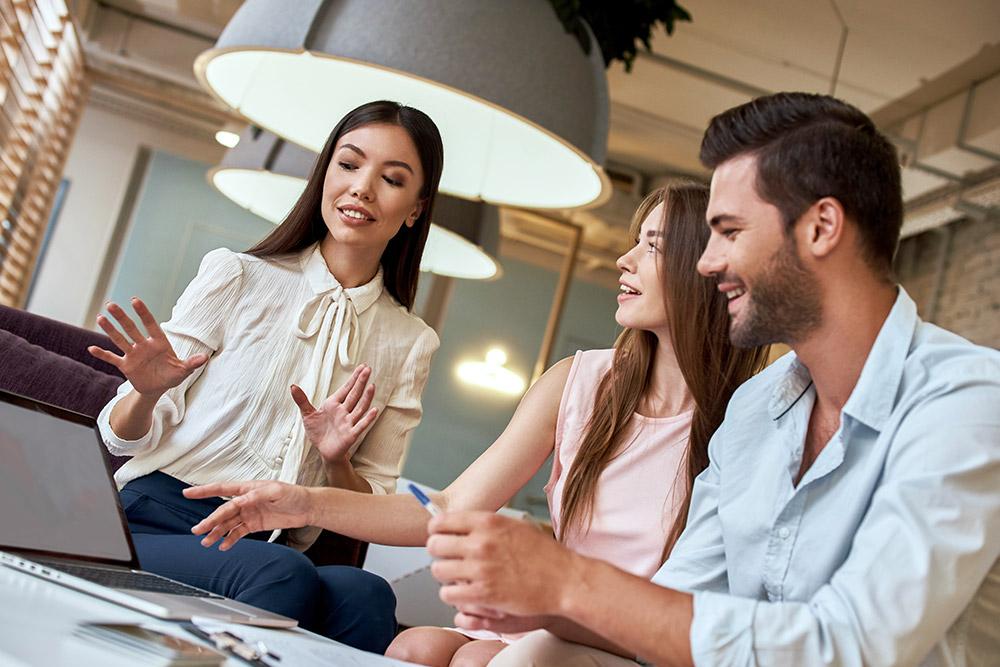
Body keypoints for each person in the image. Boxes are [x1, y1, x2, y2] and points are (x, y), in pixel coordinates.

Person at [406, 92, 1000, 667]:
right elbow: (675, 611)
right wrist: (537, 600)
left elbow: (851, 648)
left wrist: (570, 583)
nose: (709, 262)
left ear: (821, 228)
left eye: (731, 232)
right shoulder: (755, 409)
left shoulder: (964, 403)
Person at [181, 182, 769, 666]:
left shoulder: (748, 425)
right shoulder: (579, 382)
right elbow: (449, 507)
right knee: (414, 649)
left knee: (509, 660)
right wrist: (304, 503)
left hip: (638, 638)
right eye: (634, 241)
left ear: (707, 269)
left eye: (653, 246)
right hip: (547, 623)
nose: (624, 259)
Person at [87, 100, 444, 653]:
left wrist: (335, 460)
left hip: (267, 541)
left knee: (366, 594)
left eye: (391, 179)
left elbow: (373, 505)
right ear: (325, 173)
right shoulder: (237, 275)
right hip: (154, 518)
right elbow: (118, 436)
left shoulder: (410, 342)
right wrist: (147, 393)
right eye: (349, 165)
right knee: (282, 574)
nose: (362, 188)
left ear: (416, 209)